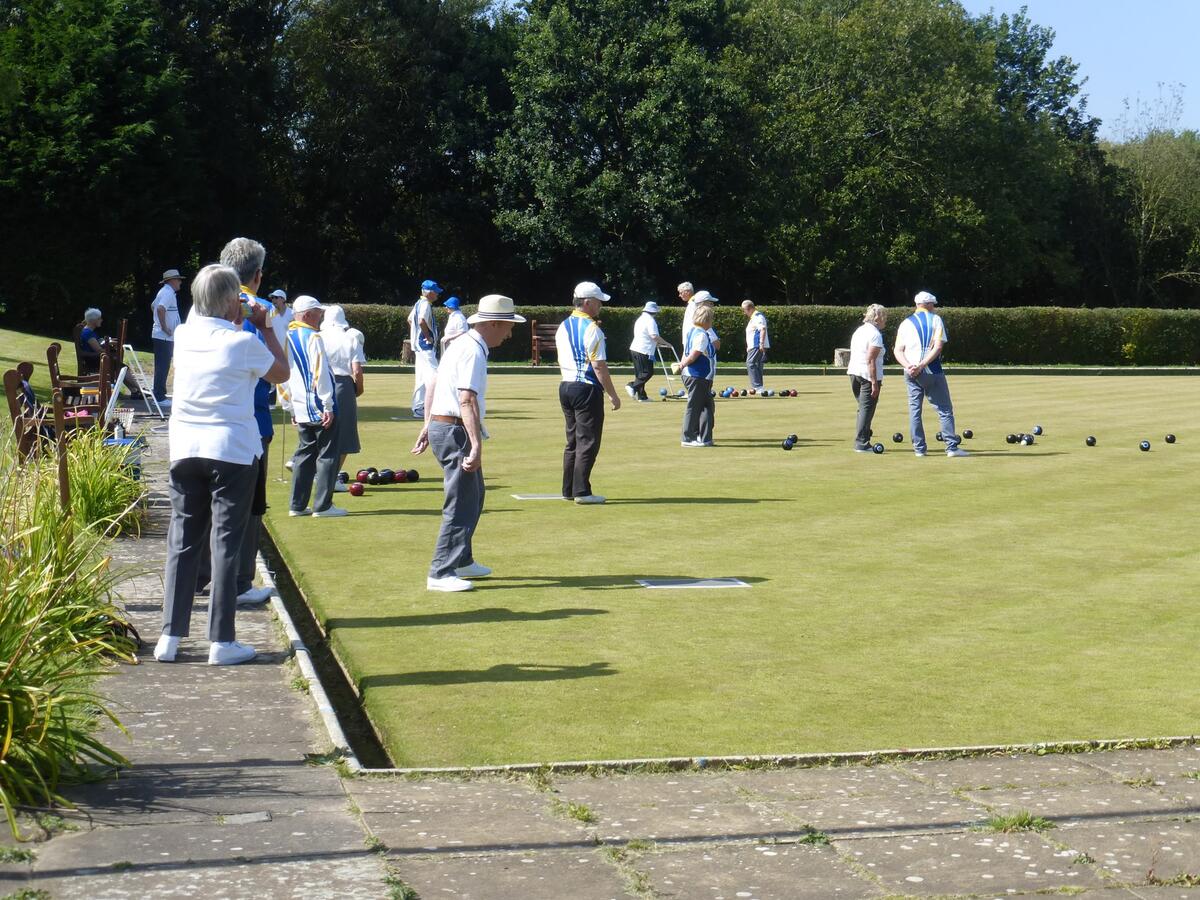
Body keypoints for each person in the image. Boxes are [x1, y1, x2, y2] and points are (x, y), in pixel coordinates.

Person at [154, 263, 288, 666]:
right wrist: (263, 326)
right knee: (225, 542)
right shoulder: (242, 341)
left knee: (184, 542)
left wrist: (236, 310)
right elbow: (281, 373)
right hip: (231, 449)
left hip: (185, 447)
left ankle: (169, 638)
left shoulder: (182, 334)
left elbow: (206, 311)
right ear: (233, 301)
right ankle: (221, 641)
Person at [412, 294, 525, 592]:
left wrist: (427, 424)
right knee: (461, 500)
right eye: (508, 326)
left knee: (475, 495)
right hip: (454, 430)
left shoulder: (461, 342)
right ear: (494, 324)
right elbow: (466, 399)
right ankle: (440, 572)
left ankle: (461, 559)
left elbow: (434, 383)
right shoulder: (473, 350)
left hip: (442, 425)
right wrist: (475, 445)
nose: (510, 333)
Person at [217, 237, 277, 604]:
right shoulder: (260, 307)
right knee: (250, 506)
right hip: (251, 420)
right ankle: (240, 582)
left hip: (208, 419)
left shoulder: (205, 303)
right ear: (258, 275)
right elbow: (275, 370)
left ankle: (209, 577)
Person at [556, 281, 621, 504]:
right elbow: (598, 366)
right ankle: (582, 491)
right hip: (586, 388)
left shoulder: (563, 325)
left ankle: (569, 489)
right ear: (587, 302)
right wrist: (612, 393)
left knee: (573, 440)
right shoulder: (593, 329)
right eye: (598, 301)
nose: (601, 305)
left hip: (566, 386)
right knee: (588, 441)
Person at [286, 295, 346, 515]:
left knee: (304, 455)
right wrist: (328, 405)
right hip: (320, 405)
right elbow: (320, 373)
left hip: (300, 406)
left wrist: (289, 406)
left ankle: (297, 505)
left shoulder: (286, 336)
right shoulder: (313, 337)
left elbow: (284, 375)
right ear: (308, 314)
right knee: (328, 455)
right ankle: (323, 506)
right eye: (318, 312)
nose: (321, 316)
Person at [893, 291, 968, 458]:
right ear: (927, 305)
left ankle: (919, 449)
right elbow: (938, 347)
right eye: (933, 304)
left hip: (910, 371)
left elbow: (898, 350)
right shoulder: (936, 320)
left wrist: (909, 366)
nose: (934, 307)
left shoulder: (905, 323)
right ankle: (951, 448)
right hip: (931, 371)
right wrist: (921, 365)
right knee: (944, 409)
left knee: (914, 410)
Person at [321, 304, 366, 481]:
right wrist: (359, 389)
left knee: (321, 430)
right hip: (343, 385)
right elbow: (356, 371)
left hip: (320, 384)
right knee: (345, 436)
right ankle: (329, 477)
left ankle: (313, 469)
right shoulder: (350, 337)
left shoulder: (318, 336)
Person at [673, 305, 717, 447]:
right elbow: (694, 355)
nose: (712, 322)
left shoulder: (693, 331)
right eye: (711, 319)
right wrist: (682, 365)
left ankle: (704, 438)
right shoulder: (701, 334)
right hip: (696, 376)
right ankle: (687, 438)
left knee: (706, 406)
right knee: (695, 407)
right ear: (706, 320)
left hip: (699, 376)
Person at [847, 304, 888, 452]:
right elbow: (870, 360)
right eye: (884, 317)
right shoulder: (875, 334)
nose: (886, 321)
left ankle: (864, 436)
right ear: (878, 318)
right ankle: (862, 443)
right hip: (867, 376)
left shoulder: (859, 330)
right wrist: (874, 383)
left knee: (863, 408)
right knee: (866, 409)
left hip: (853, 372)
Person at [408, 279, 442, 419]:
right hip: (425, 346)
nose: (437, 295)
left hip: (418, 346)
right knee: (436, 375)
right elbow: (421, 321)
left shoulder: (418, 303)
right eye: (435, 292)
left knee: (421, 378)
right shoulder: (425, 305)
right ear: (429, 293)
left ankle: (418, 408)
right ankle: (438, 406)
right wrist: (427, 336)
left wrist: (415, 335)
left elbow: (410, 320)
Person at [151, 268, 184, 407]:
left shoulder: (164, 291)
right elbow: (159, 309)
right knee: (163, 366)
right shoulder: (168, 292)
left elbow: (153, 305)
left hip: (161, 336)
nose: (180, 282)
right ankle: (159, 397)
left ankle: (158, 394)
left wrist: (158, 323)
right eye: (178, 279)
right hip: (164, 336)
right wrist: (164, 327)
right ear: (171, 281)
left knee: (162, 365)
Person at [627, 301, 671, 401]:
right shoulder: (650, 320)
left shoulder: (640, 319)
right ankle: (632, 386)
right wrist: (666, 343)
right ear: (654, 311)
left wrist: (657, 343)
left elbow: (646, 335)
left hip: (635, 348)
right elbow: (654, 336)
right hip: (643, 350)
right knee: (648, 372)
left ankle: (642, 396)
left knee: (640, 374)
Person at [741, 300, 769, 391]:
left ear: (749, 308)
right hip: (754, 345)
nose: (744, 312)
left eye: (744, 310)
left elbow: (762, 329)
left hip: (756, 345)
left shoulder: (757, 316)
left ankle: (757, 386)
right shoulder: (754, 317)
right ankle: (759, 387)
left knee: (750, 363)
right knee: (757, 365)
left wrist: (761, 344)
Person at [78, 307, 108, 375]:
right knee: (117, 363)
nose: (101, 320)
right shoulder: (88, 333)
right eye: (99, 318)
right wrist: (109, 350)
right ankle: (134, 386)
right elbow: (99, 350)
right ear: (93, 320)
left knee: (118, 363)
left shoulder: (87, 330)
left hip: (91, 359)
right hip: (92, 361)